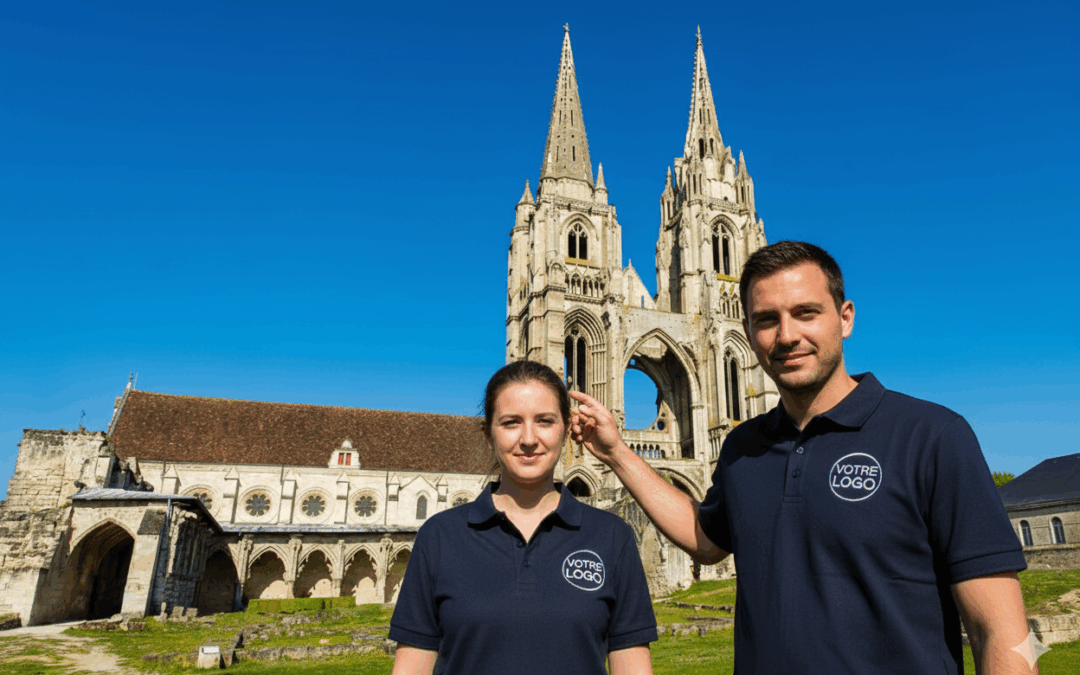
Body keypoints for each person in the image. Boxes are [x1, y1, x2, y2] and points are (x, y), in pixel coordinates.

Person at [569, 241, 1035, 674]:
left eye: (806, 313)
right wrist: (617, 453)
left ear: (845, 318)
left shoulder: (932, 436)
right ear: (747, 331)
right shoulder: (743, 447)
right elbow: (705, 540)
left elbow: (999, 631)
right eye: (767, 319)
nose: (787, 335)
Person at [389, 360, 657, 675]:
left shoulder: (611, 536)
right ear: (488, 433)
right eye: (511, 422)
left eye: (545, 421)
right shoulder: (439, 536)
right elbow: (411, 666)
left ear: (567, 430)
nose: (528, 439)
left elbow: (633, 666)